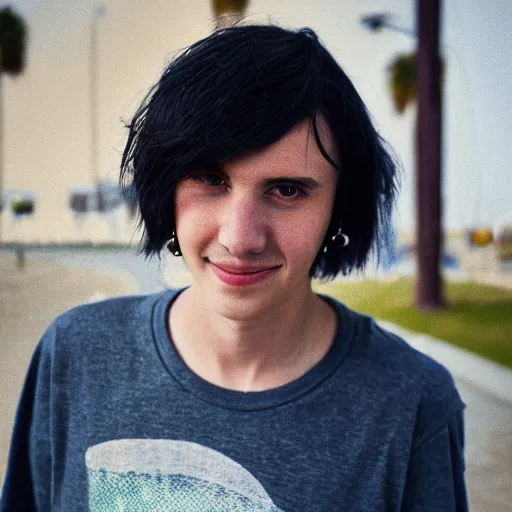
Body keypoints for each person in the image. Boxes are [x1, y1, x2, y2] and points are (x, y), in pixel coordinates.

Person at [1, 25, 468, 511]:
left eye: (287, 190)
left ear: (339, 206)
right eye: (210, 179)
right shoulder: (75, 354)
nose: (240, 238)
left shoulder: (412, 403)